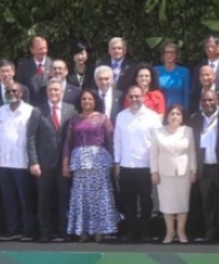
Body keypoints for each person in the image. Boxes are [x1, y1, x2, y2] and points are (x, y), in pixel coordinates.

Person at [65, 89, 118, 241]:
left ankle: (100, 231)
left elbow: (110, 141)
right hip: (79, 161)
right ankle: (83, 230)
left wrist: (114, 161)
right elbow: (67, 144)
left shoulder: (103, 118)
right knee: (81, 196)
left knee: (100, 196)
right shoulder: (73, 119)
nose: (86, 101)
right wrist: (65, 163)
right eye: (84, 99)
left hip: (99, 161)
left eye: (90, 99)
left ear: (95, 101)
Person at [27, 78, 74, 243]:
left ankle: (64, 231)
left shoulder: (71, 109)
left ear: (62, 91)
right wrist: (33, 161)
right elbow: (31, 137)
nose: (53, 93)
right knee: (44, 199)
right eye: (50, 90)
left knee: (64, 198)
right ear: (46, 92)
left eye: (56, 90)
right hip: (44, 163)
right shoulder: (37, 111)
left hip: (64, 163)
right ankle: (45, 232)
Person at [111, 86, 159, 243]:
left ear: (143, 96)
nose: (134, 99)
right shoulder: (121, 116)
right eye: (131, 96)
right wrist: (117, 162)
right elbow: (117, 141)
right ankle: (131, 231)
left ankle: (145, 232)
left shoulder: (152, 117)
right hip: (126, 165)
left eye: (137, 96)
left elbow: (157, 144)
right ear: (127, 98)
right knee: (128, 201)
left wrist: (155, 167)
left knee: (146, 201)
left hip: (146, 166)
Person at [0, 82, 35, 241]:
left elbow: (32, 138)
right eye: (8, 91)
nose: (11, 93)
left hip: (22, 161)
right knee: (8, 199)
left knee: (25, 198)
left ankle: (27, 230)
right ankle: (13, 230)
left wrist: (32, 160)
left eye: (14, 90)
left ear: (21, 93)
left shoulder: (29, 111)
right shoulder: (1, 111)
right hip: (4, 161)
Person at [147, 105, 195, 243]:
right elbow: (153, 153)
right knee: (167, 205)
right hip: (164, 174)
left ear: (182, 117)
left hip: (183, 173)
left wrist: (193, 170)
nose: (174, 116)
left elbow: (192, 152)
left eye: (178, 114)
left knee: (182, 203)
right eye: (172, 113)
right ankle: (169, 232)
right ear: (167, 116)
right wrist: (154, 171)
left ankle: (181, 232)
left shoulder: (188, 131)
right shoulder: (158, 132)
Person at [191, 89, 219, 242]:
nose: (208, 103)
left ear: (217, 100)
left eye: (211, 100)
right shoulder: (195, 119)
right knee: (207, 201)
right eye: (205, 100)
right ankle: (210, 230)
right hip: (203, 167)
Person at [154, 43, 190, 117]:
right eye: (167, 52)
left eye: (172, 52)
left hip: (178, 111)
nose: (169, 55)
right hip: (160, 111)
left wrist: (185, 112)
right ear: (163, 54)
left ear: (177, 54)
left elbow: (186, 94)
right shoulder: (156, 71)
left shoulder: (184, 71)